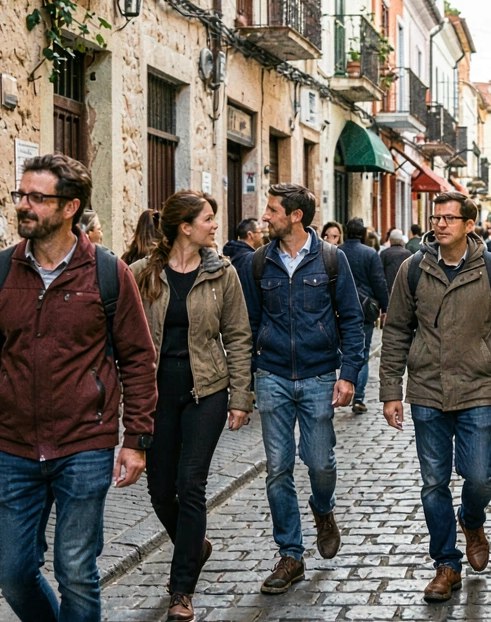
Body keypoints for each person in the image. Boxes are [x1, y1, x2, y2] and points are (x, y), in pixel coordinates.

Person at [0, 153, 157, 622]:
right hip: (15, 447)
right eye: (21, 195)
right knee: (12, 570)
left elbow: (138, 359)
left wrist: (136, 440)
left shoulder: (107, 273)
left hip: (85, 442)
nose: (24, 205)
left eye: (38, 198)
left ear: (69, 208)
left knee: (76, 568)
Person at [379, 192, 491, 603]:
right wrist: (391, 390)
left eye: (450, 218)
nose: (441, 224)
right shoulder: (413, 269)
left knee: (480, 476)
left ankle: (473, 519)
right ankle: (446, 564)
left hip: (478, 387)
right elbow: (394, 331)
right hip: (427, 389)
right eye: (436, 217)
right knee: (434, 482)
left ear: (469, 224)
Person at [130, 191, 252, 622]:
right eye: (208, 219)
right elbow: (123, 339)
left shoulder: (223, 273)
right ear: (185, 227)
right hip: (156, 392)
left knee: (191, 483)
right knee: (160, 489)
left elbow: (238, 336)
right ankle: (194, 545)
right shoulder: (142, 274)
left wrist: (240, 397)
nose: (215, 225)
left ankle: (182, 588)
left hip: (208, 389)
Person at [236, 184, 364, 594]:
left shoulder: (331, 259)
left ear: (294, 216)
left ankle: (323, 510)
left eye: (272, 210)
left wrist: (349, 374)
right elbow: (249, 324)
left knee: (320, 462)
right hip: (272, 375)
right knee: (278, 468)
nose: (264, 216)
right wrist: (249, 376)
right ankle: (290, 554)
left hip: (319, 375)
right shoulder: (258, 262)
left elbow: (351, 319)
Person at [341, 218, 389, 414]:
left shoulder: (338, 251)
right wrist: (385, 307)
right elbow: (379, 282)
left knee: (345, 352)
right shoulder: (370, 254)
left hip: (342, 308)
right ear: (363, 234)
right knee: (362, 352)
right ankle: (358, 396)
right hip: (364, 310)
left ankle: (345, 389)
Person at [381, 229, 413, 294]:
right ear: (401, 240)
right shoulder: (408, 254)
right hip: (404, 290)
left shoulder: (384, 254)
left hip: (389, 289)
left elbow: (381, 272)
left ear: (390, 240)